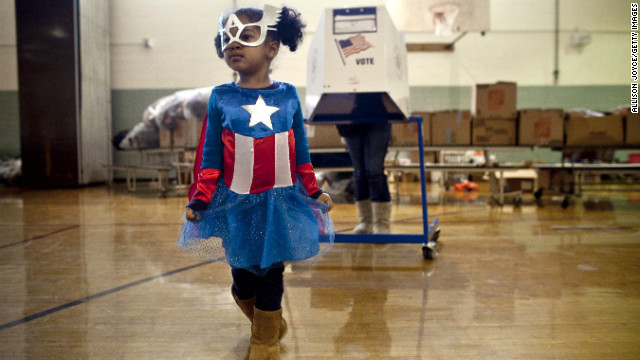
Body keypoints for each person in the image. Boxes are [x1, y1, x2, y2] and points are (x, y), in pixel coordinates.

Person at [177, 5, 334, 359]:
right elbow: (211, 155)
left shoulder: (288, 94)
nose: (234, 45)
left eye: (245, 37)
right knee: (243, 277)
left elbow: (301, 152)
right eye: (227, 38)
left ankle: (263, 341)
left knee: (272, 271)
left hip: (280, 201)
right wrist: (201, 198)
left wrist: (313, 189)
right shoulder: (221, 96)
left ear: (271, 47)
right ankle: (267, 322)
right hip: (235, 202)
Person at [336, 120, 392, 234]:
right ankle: (366, 222)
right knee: (359, 172)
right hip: (350, 120)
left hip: (377, 117)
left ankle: (382, 223)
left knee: (374, 170)